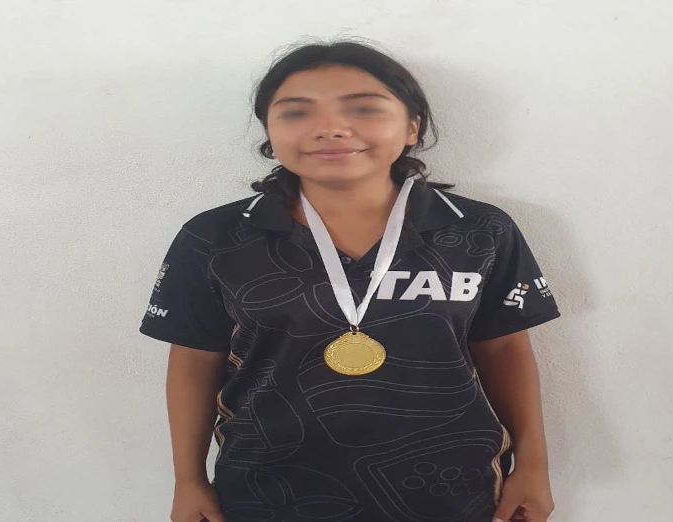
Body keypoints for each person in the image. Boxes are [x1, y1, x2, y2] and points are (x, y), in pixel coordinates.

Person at [140, 40, 560, 522]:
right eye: (296, 112)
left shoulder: (479, 231)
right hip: (266, 491)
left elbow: (505, 350)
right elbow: (194, 360)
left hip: (451, 490)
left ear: (412, 126)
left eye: (363, 107)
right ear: (270, 132)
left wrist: (534, 465)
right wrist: (189, 480)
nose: (330, 128)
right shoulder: (215, 237)